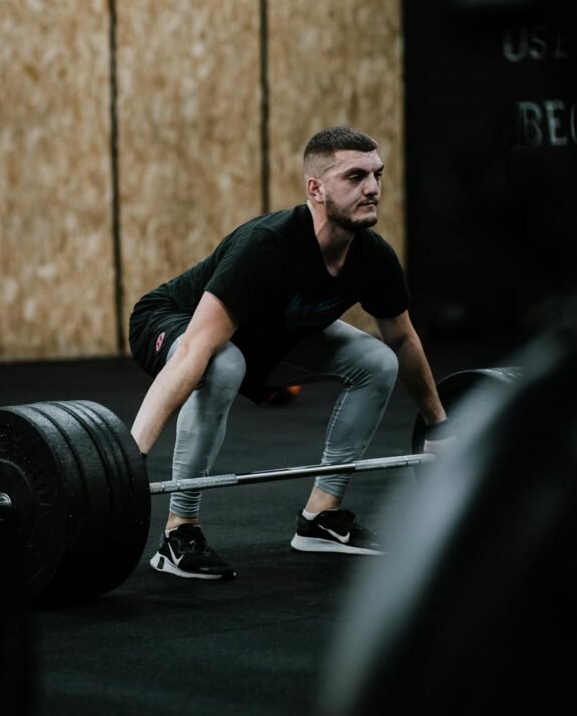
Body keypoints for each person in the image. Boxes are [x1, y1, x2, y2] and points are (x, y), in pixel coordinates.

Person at [128, 126, 453, 580]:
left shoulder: (372, 257)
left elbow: (403, 340)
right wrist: (131, 456)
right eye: (355, 177)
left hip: (268, 337)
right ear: (315, 189)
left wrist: (440, 425)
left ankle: (321, 518)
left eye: (378, 175)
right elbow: (196, 350)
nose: (373, 188)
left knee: (378, 360)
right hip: (173, 320)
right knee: (222, 363)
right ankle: (179, 531)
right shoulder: (268, 246)